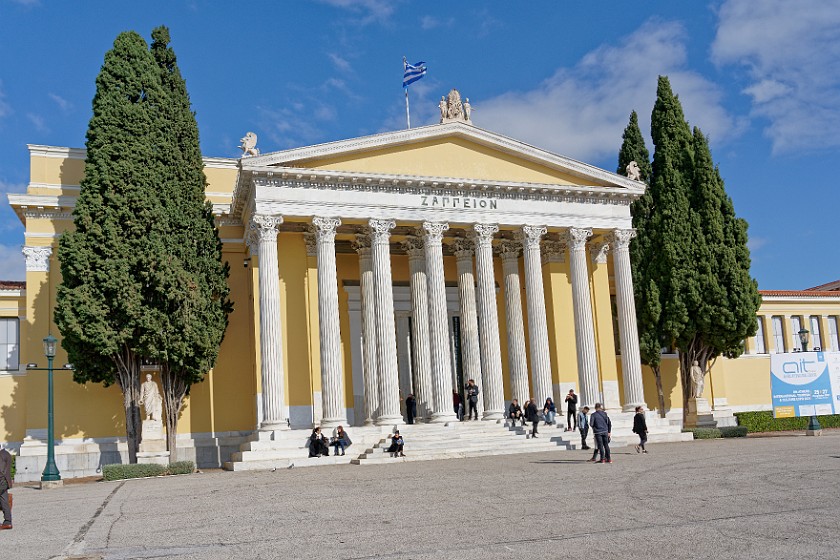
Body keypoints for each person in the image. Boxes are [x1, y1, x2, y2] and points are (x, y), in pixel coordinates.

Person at [0, 446, 12, 530]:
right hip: (5, 482)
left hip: (1, 481)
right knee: (4, 501)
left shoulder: (1, 455)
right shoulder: (6, 453)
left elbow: (1, 471)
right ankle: (7, 522)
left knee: (4, 501)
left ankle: (7, 522)